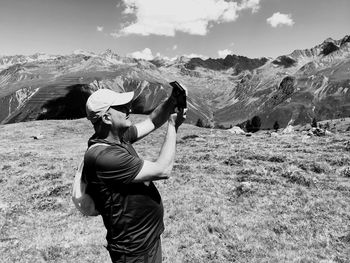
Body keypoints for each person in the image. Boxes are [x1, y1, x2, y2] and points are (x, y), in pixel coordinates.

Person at [83, 87, 186, 263]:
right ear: (107, 118)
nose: (128, 109)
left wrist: (172, 101)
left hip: (146, 239)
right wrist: (172, 126)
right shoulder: (104, 157)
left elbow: (152, 121)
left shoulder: (119, 137)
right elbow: (163, 169)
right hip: (134, 249)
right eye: (121, 107)